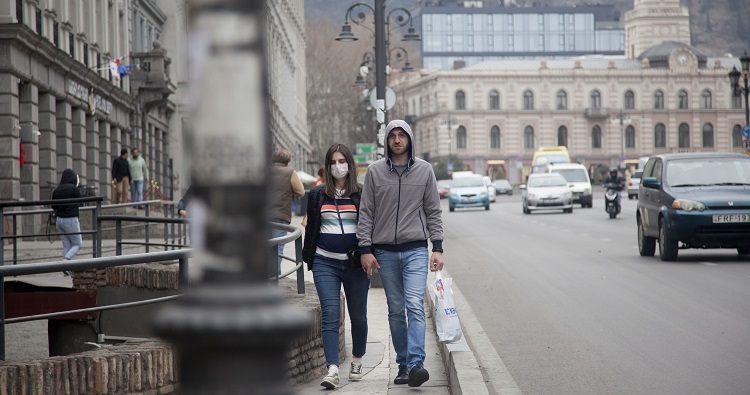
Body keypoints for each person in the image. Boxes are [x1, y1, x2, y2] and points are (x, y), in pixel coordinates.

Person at [357, 119, 444, 387]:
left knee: (415, 305)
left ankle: (417, 363)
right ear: (387, 141)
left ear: (409, 139)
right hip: (384, 252)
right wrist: (365, 249)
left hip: (416, 249)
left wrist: (437, 247)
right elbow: (366, 213)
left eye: (401, 135)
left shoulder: (424, 171)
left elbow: (433, 210)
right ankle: (403, 365)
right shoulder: (374, 172)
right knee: (396, 310)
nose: (397, 140)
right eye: (392, 135)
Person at [302, 144, 369, 389]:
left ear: (349, 164)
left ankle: (357, 360)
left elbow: (370, 227)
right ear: (328, 165)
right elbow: (311, 228)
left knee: (358, 317)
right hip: (324, 262)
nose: (337, 166)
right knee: (330, 314)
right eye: (333, 161)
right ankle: (331, 368)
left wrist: (369, 254)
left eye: (342, 161)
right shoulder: (318, 194)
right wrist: (308, 257)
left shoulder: (362, 193)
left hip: (356, 264)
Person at [269, 149, 305, 272]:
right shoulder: (290, 172)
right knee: (277, 249)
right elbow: (301, 192)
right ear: (288, 160)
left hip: (263, 215)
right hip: (281, 215)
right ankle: (274, 279)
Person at [51, 169, 83, 273]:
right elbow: (81, 201)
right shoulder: (73, 189)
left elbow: (53, 205)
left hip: (59, 220)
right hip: (71, 219)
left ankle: (67, 269)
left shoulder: (57, 190)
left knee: (67, 244)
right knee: (77, 243)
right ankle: (66, 262)